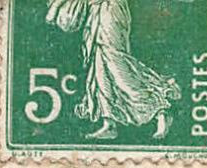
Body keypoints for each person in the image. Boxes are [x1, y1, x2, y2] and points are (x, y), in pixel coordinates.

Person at [47, 0, 181, 141]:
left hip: (110, 11)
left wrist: (55, 9)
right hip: (96, 12)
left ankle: (160, 111)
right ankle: (109, 123)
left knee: (117, 67)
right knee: (99, 67)